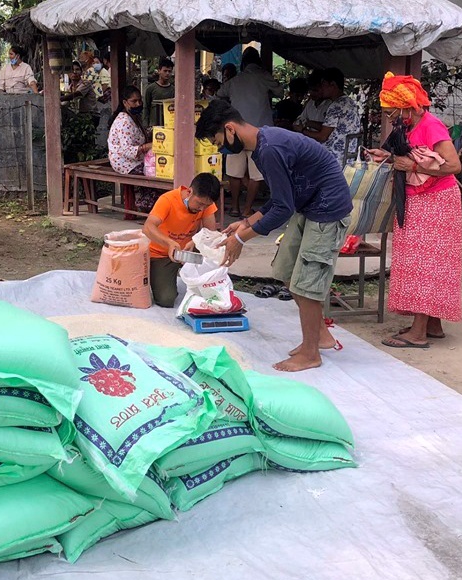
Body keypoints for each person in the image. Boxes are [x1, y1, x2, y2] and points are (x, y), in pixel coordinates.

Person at [195, 100, 352, 372]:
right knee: (287, 271)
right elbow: (281, 199)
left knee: (308, 284)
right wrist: (245, 223)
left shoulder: (270, 148)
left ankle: (311, 352)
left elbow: (282, 208)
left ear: (230, 128)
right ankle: (321, 337)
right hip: (307, 207)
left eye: (217, 139)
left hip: (327, 212)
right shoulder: (261, 147)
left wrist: (242, 239)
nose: (219, 147)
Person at [364, 73, 462, 349]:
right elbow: (407, 156)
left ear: (407, 105)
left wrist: (414, 167)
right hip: (419, 200)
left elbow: (454, 166)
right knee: (422, 261)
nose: (390, 115)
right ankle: (431, 324)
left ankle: (418, 334)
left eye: (392, 110)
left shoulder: (432, 126)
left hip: (436, 201)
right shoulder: (407, 126)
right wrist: (388, 157)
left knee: (425, 263)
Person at [215, 47, 284, 217]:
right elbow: (280, 93)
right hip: (259, 133)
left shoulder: (235, 80)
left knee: (234, 172)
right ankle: (247, 210)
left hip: (235, 131)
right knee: (256, 174)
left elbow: (218, 94)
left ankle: (235, 207)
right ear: (259, 62)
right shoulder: (264, 77)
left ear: (243, 63)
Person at [142, 173, 221, 307]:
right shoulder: (168, 200)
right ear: (189, 192)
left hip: (187, 251)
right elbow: (148, 227)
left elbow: (210, 234)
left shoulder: (205, 205)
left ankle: (203, 280)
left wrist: (195, 242)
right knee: (166, 299)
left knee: (214, 248)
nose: (201, 209)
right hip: (161, 254)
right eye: (200, 203)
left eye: (206, 206)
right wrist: (169, 242)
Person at [107, 85, 157, 213]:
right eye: (134, 101)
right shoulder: (124, 121)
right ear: (125, 102)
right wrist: (149, 146)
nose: (138, 104)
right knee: (152, 174)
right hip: (124, 162)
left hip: (135, 159)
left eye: (139, 100)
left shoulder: (134, 117)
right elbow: (128, 151)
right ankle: (146, 206)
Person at [298, 67, 360, 164]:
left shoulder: (336, 106)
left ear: (333, 85)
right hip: (348, 154)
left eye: (323, 84)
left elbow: (322, 137)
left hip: (334, 156)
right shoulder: (349, 102)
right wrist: (309, 124)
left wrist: (302, 130)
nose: (321, 88)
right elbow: (330, 127)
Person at [143, 58, 175, 129]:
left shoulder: (173, 89)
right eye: (165, 71)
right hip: (154, 125)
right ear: (159, 71)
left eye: (169, 71)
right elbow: (146, 107)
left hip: (169, 125)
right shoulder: (150, 88)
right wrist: (146, 125)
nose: (167, 73)